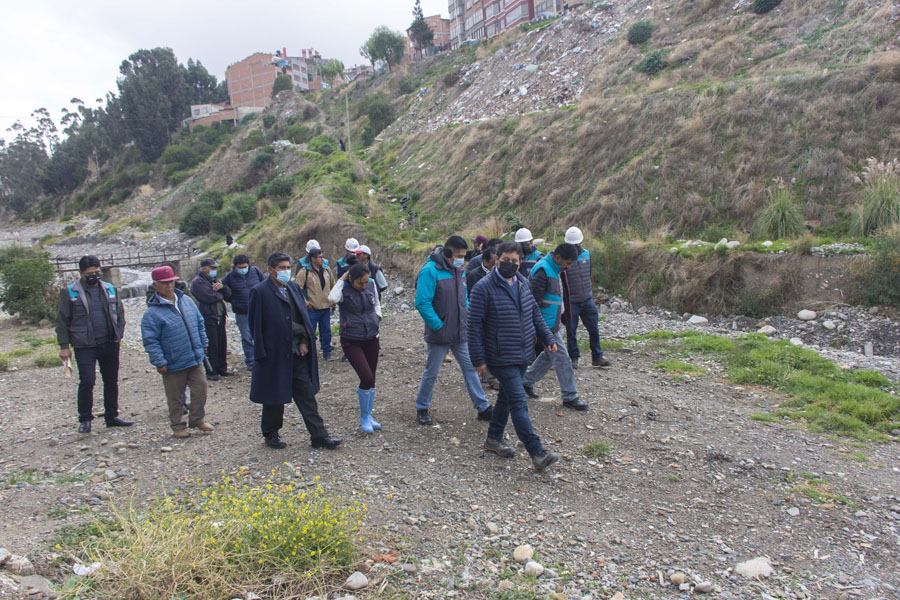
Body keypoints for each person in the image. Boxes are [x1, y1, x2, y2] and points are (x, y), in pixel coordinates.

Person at [468, 242, 560, 472]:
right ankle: (537, 452)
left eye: (514, 261)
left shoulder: (523, 282)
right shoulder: (482, 288)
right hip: (500, 355)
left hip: (523, 352)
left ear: (520, 262)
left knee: (506, 398)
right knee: (519, 402)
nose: (510, 264)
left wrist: (547, 337)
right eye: (505, 260)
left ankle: (493, 438)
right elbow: (474, 327)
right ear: (497, 259)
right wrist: (478, 359)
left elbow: (535, 313)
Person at [249, 253, 342, 450]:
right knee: (274, 397)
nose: (286, 271)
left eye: (287, 267)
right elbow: (258, 325)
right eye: (281, 268)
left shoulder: (292, 287)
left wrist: (302, 340)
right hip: (274, 353)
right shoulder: (260, 292)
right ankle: (271, 433)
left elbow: (301, 316)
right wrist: (262, 353)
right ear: (271, 270)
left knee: (306, 394)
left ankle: (319, 436)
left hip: (296, 352)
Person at [414, 236, 493, 426]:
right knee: (432, 372)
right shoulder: (429, 271)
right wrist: (438, 325)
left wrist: (467, 318)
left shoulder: (459, 271)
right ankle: (422, 407)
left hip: (460, 331)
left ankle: (483, 407)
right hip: (440, 333)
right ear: (447, 253)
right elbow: (422, 302)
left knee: (470, 368)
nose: (461, 260)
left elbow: (463, 298)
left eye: (463, 256)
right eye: (458, 256)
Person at [56, 255, 132, 433]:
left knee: (111, 380)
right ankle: (85, 419)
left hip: (109, 342)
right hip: (84, 345)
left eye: (97, 272)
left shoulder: (109, 288)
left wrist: (119, 333)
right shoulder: (70, 292)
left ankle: (112, 416)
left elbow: (120, 313)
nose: (94, 276)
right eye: (90, 274)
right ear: (81, 273)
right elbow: (62, 321)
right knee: (87, 381)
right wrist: (64, 346)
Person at [140, 265, 214, 438]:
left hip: (194, 357)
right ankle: (178, 425)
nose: (169, 286)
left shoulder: (186, 301)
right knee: (175, 397)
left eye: (171, 282)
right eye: (164, 283)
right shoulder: (152, 313)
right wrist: (159, 361)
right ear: (155, 285)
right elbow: (150, 341)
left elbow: (199, 323)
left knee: (200, 390)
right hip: (173, 362)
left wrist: (203, 344)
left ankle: (197, 419)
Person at [522, 244, 588, 411]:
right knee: (563, 359)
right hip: (546, 324)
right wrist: (538, 330)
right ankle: (570, 396)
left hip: (553, 322)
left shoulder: (556, 269)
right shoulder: (543, 270)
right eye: (567, 263)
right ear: (557, 258)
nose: (569, 267)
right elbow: (533, 303)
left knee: (548, 355)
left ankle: (525, 382)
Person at [329, 263, 383, 434]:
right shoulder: (343, 289)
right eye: (360, 282)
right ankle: (364, 417)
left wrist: (378, 316)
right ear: (351, 279)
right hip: (351, 339)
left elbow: (376, 302)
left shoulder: (371, 285)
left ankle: (369, 415)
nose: (364, 286)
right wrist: (342, 279)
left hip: (372, 337)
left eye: (366, 282)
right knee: (366, 377)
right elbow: (332, 298)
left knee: (372, 378)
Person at [562, 226, 611, 369]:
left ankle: (597, 356)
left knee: (594, 328)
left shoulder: (587, 255)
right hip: (571, 301)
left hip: (587, 299)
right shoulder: (563, 259)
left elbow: (588, 273)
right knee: (571, 331)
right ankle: (573, 358)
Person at [190, 258, 233, 381]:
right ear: (204, 268)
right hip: (208, 317)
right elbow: (207, 297)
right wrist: (220, 294)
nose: (214, 270)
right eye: (212, 268)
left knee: (222, 343)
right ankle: (211, 371)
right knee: (211, 344)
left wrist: (222, 288)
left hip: (220, 316)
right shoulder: (197, 282)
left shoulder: (214, 280)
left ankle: (222, 368)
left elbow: (228, 294)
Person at [221, 254, 265, 370]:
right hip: (242, 312)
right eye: (240, 268)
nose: (243, 269)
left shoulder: (256, 271)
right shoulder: (229, 277)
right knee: (246, 337)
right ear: (235, 267)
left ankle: (262, 358)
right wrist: (234, 301)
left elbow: (264, 283)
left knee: (261, 335)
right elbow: (225, 292)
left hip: (258, 309)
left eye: (245, 267)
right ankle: (250, 361)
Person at [296, 247, 337, 361]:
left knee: (326, 331)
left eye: (322, 257)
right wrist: (305, 303)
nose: (322, 259)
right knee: (310, 332)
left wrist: (333, 301)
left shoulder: (327, 270)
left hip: (326, 307)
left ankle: (327, 352)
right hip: (312, 308)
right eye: (320, 257)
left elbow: (333, 285)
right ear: (313, 259)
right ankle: (310, 353)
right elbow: (297, 289)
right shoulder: (305, 272)